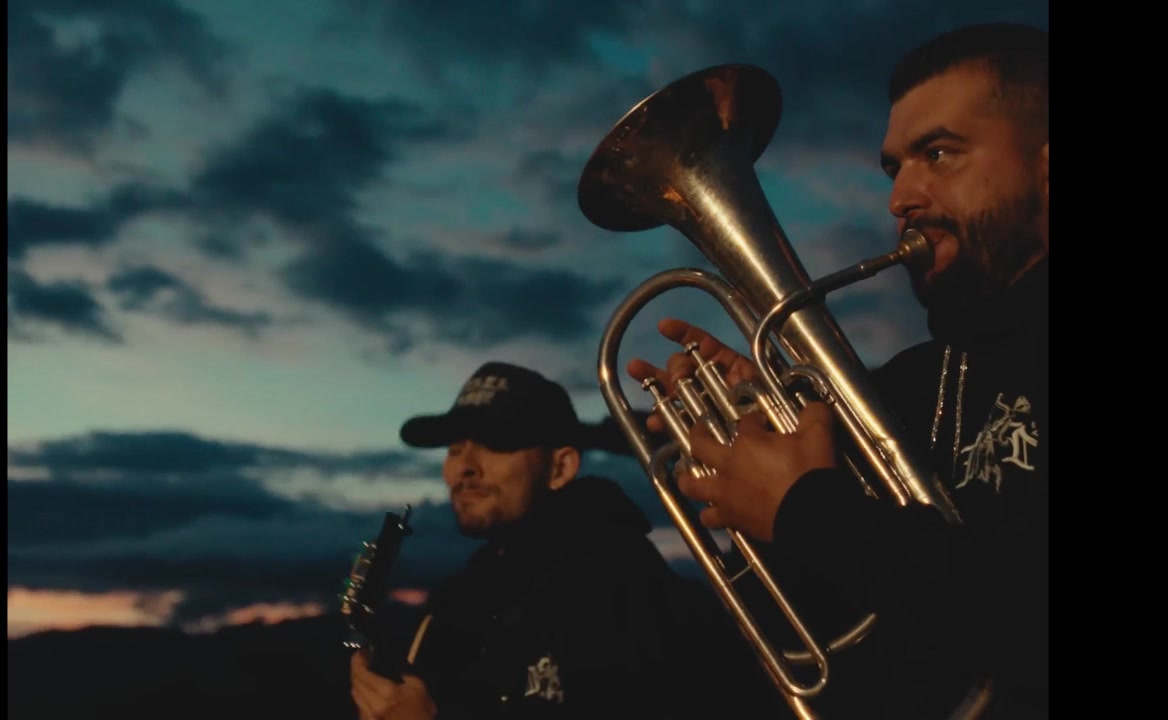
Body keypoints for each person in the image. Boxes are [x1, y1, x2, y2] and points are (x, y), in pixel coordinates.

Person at [626, 22, 1049, 720]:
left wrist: (808, 511)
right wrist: (760, 455)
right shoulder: (910, 384)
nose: (900, 199)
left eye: (938, 154)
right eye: (893, 168)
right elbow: (836, 627)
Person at [347, 361, 785, 719]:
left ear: (560, 468)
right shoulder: (453, 605)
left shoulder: (624, 585)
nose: (465, 467)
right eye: (455, 448)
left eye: (496, 443)